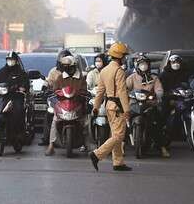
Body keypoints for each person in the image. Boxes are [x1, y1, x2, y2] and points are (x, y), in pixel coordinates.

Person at [89, 42, 132, 172]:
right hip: (118, 106)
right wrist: (127, 110)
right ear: (120, 56)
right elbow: (123, 91)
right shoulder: (119, 71)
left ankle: (118, 162)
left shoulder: (105, 70)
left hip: (108, 105)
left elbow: (100, 92)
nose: (125, 58)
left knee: (115, 134)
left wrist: (95, 107)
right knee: (119, 135)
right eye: (124, 56)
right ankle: (97, 154)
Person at [126, 55, 169, 158]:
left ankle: (162, 147)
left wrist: (158, 94)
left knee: (156, 124)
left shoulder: (154, 78)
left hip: (149, 104)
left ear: (148, 65)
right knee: (124, 122)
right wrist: (127, 93)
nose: (143, 66)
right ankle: (121, 145)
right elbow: (125, 88)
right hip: (134, 104)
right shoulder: (131, 77)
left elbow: (159, 89)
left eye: (145, 64)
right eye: (141, 64)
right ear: (137, 65)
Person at [45, 55, 88, 156]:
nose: (66, 68)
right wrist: (55, 93)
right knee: (55, 121)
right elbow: (55, 89)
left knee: (86, 123)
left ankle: (87, 145)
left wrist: (82, 94)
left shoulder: (80, 78)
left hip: (77, 104)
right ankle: (51, 145)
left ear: (73, 66)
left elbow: (84, 90)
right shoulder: (60, 77)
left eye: (68, 66)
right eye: (64, 66)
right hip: (63, 105)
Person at [0, 51, 29, 154]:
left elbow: (25, 85)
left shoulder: (21, 73)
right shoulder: (2, 71)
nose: (10, 62)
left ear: (16, 61)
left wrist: (22, 88)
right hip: (1, 98)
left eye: (12, 60)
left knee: (18, 111)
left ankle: (18, 135)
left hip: (15, 98)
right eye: (9, 60)